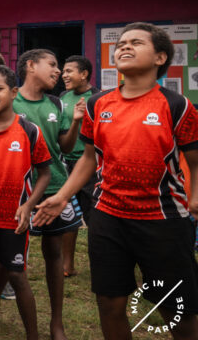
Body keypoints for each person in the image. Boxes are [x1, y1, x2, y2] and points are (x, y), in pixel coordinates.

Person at [35, 22, 198, 340]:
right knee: (110, 302)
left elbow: (195, 159)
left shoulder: (177, 106)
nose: (124, 46)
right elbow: (88, 158)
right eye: (121, 42)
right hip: (108, 217)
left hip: (163, 218)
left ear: (160, 57)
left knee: (175, 308)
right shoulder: (99, 104)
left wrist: (195, 196)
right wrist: (63, 195)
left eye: (136, 42)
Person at [0, 65, 52, 340]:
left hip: (13, 219)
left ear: (13, 92)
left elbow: (45, 173)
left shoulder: (30, 131)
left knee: (16, 276)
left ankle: (33, 335)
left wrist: (29, 206)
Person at [12, 48, 83, 340]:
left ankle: (57, 323)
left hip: (53, 188)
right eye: (52, 65)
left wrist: (77, 120)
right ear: (31, 65)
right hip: (16, 193)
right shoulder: (9, 100)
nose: (58, 71)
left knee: (54, 253)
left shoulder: (57, 103)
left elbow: (64, 147)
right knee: (12, 258)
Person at [59, 55, 99, 278]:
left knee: (93, 216)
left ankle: (100, 264)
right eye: (63, 71)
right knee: (69, 215)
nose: (64, 75)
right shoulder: (63, 97)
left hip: (90, 166)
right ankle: (68, 266)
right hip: (66, 164)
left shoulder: (97, 97)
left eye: (69, 71)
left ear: (84, 74)